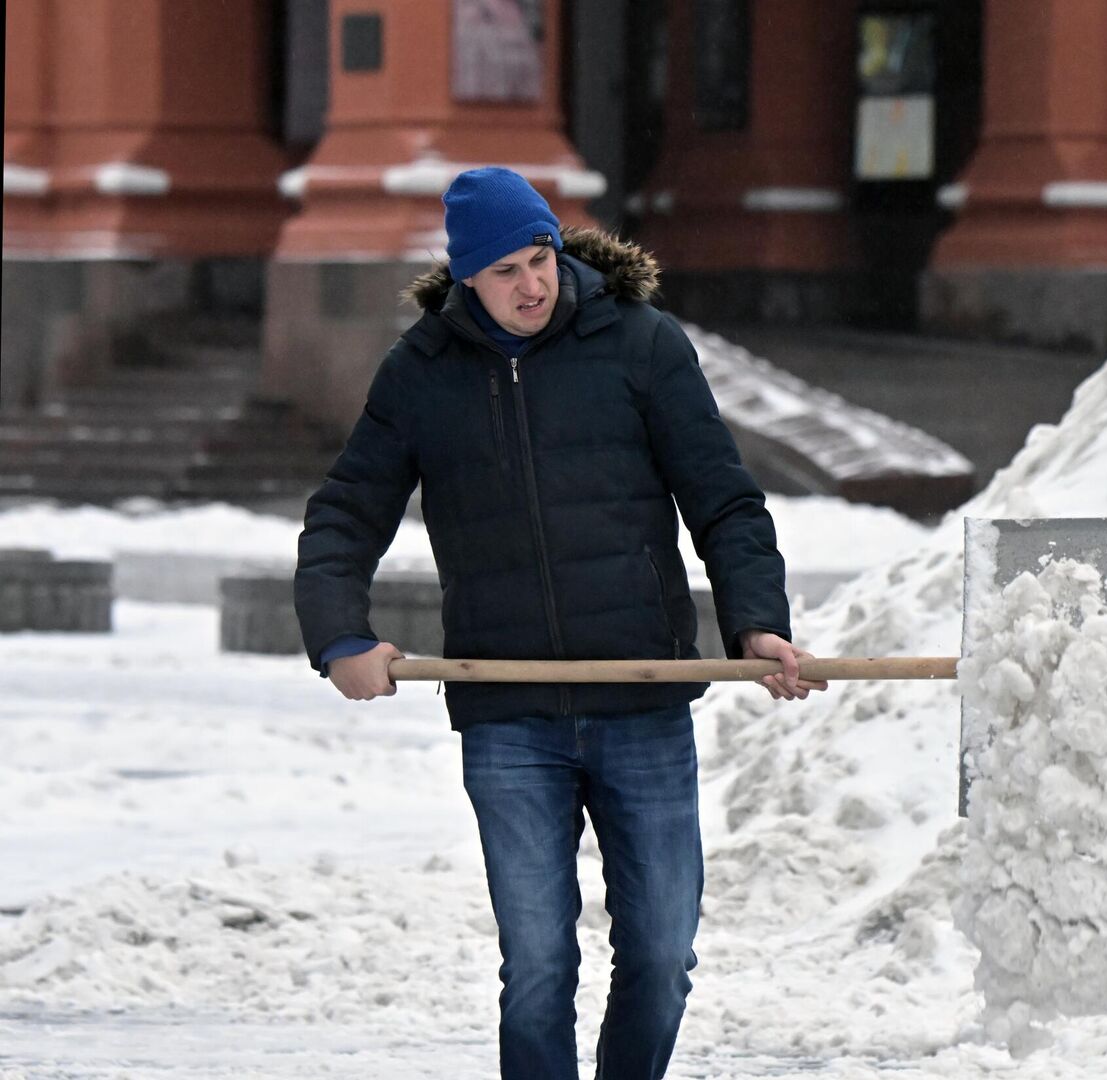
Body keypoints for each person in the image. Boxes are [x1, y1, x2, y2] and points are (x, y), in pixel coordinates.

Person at [293, 166, 825, 1079]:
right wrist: (339, 636)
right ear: (466, 279)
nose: (532, 284)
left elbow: (725, 503)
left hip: (642, 703)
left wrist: (756, 624)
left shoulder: (642, 345)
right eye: (505, 271)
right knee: (538, 966)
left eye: (539, 258)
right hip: (510, 718)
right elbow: (345, 514)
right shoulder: (419, 374)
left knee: (661, 958)